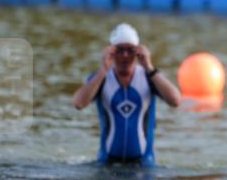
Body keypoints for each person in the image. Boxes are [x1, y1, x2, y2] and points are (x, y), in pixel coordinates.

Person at [73, 23, 181, 166]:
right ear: (111, 52)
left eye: (130, 50)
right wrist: (103, 69)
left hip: (143, 166)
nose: (125, 55)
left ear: (138, 52)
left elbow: (176, 101)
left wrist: (149, 66)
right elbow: (78, 103)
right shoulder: (101, 79)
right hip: (107, 164)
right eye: (119, 50)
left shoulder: (150, 77)